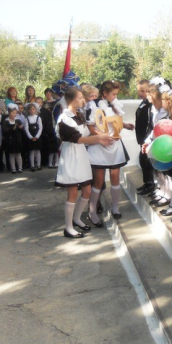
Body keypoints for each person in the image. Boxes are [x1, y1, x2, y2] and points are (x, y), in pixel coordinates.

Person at [55, 87, 115, 238]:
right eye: (80, 97)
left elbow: (86, 134)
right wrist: (98, 138)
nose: (83, 100)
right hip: (71, 156)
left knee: (87, 191)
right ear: (71, 100)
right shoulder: (64, 118)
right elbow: (77, 139)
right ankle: (68, 228)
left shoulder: (79, 115)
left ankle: (77, 219)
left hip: (81, 155)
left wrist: (101, 136)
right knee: (73, 193)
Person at [87, 80, 134, 223]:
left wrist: (124, 125)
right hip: (100, 146)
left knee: (115, 177)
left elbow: (115, 121)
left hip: (114, 145)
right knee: (98, 180)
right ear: (105, 93)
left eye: (116, 94)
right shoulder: (94, 106)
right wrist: (100, 137)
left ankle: (115, 208)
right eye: (113, 94)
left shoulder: (115, 105)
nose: (115, 97)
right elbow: (90, 126)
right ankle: (92, 211)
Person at [135, 79, 155, 196]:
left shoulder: (150, 105)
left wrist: (147, 139)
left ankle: (150, 183)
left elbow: (150, 123)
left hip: (147, 137)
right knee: (143, 160)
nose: (140, 93)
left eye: (143, 91)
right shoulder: (143, 103)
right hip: (141, 137)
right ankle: (147, 182)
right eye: (139, 91)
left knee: (146, 161)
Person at [2, 104, 24, 174]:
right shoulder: (6, 121)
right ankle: (13, 168)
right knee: (12, 154)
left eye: (15, 113)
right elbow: (4, 130)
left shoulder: (18, 120)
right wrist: (11, 129)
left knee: (18, 154)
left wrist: (21, 128)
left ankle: (20, 167)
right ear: (9, 113)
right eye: (13, 113)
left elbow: (21, 130)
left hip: (17, 139)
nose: (14, 114)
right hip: (10, 140)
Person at [23, 103, 43, 171]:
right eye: (30, 109)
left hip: (37, 136)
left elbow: (40, 128)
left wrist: (37, 136)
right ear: (28, 110)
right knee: (31, 151)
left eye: (33, 109)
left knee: (38, 151)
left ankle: (38, 165)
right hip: (30, 137)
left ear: (36, 110)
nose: (32, 110)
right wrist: (30, 137)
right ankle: (32, 165)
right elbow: (26, 129)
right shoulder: (27, 119)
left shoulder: (38, 118)